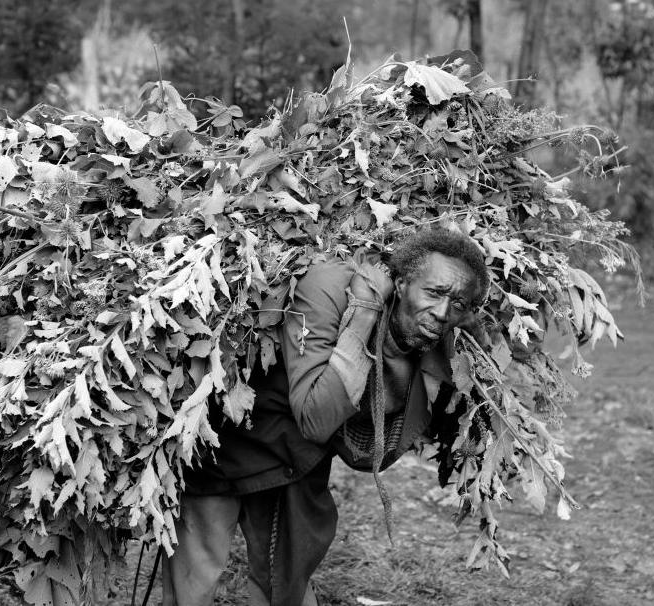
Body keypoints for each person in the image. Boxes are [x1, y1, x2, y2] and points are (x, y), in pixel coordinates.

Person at [162, 226, 490, 606]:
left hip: (296, 461)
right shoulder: (330, 288)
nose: (443, 312)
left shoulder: (437, 341)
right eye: (433, 293)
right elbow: (316, 417)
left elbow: (374, 453)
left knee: (286, 587)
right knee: (194, 580)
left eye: (459, 304)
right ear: (400, 284)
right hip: (226, 442)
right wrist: (365, 315)